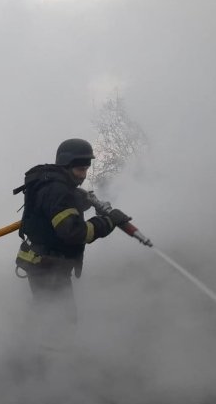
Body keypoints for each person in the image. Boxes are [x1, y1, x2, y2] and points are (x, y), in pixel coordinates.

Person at [14, 138, 131, 324]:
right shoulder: (58, 190)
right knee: (60, 322)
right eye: (80, 170)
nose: (83, 176)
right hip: (47, 266)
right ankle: (50, 352)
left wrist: (87, 204)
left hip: (43, 263)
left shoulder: (53, 183)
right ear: (67, 165)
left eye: (86, 169)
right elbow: (74, 233)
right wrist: (108, 221)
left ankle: (36, 346)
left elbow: (55, 211)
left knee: (47, 314)